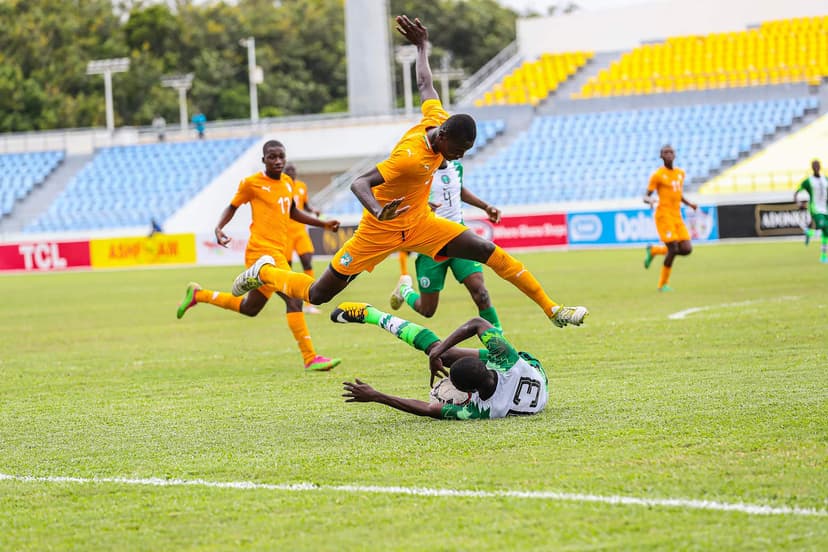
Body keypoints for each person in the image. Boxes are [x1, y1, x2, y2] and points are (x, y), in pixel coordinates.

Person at [230, 15, 588, 329]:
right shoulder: (409, 157)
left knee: (488, 250)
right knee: (318, 293)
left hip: (420, 223)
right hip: (378, 232)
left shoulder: (437, 120)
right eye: (458, 151)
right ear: (444, 137)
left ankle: (552, 309)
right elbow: (360, 182)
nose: (458, 158)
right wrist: (376, 209)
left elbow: (425, 84)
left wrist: (422, 47)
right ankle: (263, 272)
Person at [176, 140, 342, 371]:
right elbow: (232, 206)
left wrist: (322, 224)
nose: (277, 161)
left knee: (250, 309)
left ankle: (199, 294)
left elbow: (293, 212)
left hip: (278, 253)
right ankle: (310, 357)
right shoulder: (252, 184)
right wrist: (219, 227)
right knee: (293, 299)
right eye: (272, 157)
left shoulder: (287, 183)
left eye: (281, 156)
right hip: (260, 254)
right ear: (263, 160)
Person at [333, 302, 548, 420]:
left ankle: (374, 314)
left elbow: (428, 409)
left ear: (469, 393)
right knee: (442, 353)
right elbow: (477, 323)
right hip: (532, 372)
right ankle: (373, 314)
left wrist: (377, 396)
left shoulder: (484, 410)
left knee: (441, 352)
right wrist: (437, 354)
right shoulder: (508, 362)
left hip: (523, 383)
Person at [389, 158, 503, 330]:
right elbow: (402, 198)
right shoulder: (420, 170)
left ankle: (498, 342)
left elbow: (459, 189)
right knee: (427, 310)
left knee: (481, 293)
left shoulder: (456, 167)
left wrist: (485, 206)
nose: (459, 153)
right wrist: (423, 206)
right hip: (431, 243)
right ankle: (405, 290)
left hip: (460, 238)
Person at [642, 144, 698, 291]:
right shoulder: (658, 175)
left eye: (671, 152)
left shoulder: (680, 173)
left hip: (677, 216)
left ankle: (654, 250)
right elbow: (645, 196)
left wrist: (689, 203)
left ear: (675, 155)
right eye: (665, 152)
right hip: (663, 215)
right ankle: (663, 284)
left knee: (686, 249)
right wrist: (651, 201)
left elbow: (678, 194)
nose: (668, 154)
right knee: (672, 248)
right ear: (661, 156)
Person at [283, 162, 324, 313]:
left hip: (300, 231)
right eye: (288, 170)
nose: (291, 173)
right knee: (287, 269)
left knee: (307, 262)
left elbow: (304, 205)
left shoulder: (301, 186)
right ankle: (291, 302)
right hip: (285, 232)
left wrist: (313, 210)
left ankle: (309, 303)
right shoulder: (280, 187)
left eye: (293, 170)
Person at [794, 159, 828, 263]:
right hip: (816, 208)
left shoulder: (825, 179)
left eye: (818, 166)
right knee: (824, 226)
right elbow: (797, 191)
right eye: (815, 166)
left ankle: (823, 256)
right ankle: (809, 231)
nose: (817, 168)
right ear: (812, 168)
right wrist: (798, 203)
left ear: (820, 167)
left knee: (826, 232)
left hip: (825, 209)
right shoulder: (808, 181)